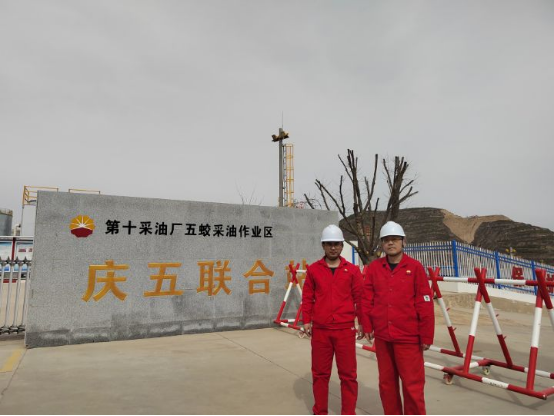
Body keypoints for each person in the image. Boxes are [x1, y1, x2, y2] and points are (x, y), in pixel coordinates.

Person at [362, 221, 435, 415]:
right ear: (382, 244)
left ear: (403, 242)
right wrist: (367, 325)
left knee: (412, 385)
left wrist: (426, 335)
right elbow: (367, 298)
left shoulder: (415, 268)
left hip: (408, 337)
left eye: (394, 239)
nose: (390, 243)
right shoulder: (374, 268)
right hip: (383, 337)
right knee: (387, 384)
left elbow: (425, 303)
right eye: (386, 240)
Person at [302, 224, 365, 416]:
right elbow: (307, 296)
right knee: (320, 374)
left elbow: (360, 298)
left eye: (336, 244)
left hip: (345, 330)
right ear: (323, 245)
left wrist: (362, 322)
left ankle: (348, 412)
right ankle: (320, 411)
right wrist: (306, 320)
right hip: (321, 331)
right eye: (329, 244)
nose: (333, 247)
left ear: (341, 246)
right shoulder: (313, 270)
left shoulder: (352, 270)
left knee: (348, 376)